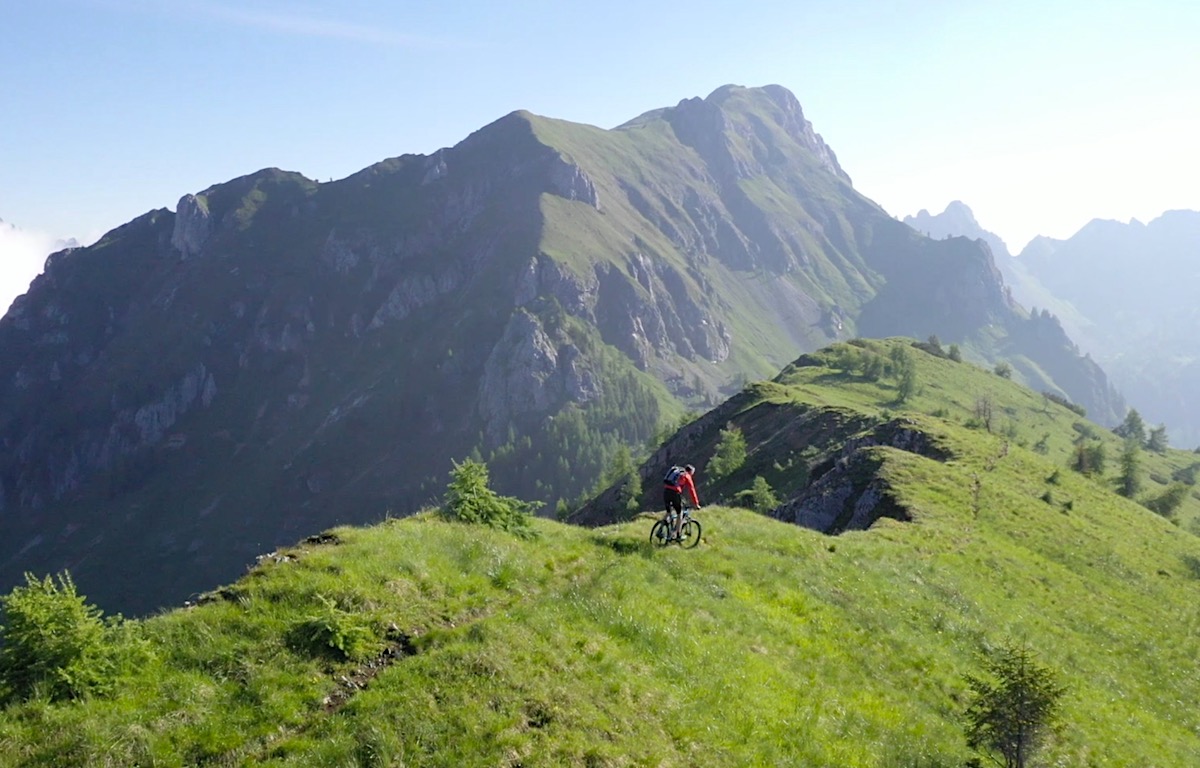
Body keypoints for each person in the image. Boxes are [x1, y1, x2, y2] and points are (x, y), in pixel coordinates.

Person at [662, 464, 701, 540]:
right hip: (674, 493)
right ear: (690, 472)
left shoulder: (678, 472)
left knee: (668, 511)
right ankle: (678, 535)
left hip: (666, 491)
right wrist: (696, 504)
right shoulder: (687, 475)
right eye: (692, 473)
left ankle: (660, 529)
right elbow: (692, 490)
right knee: (680, 513)